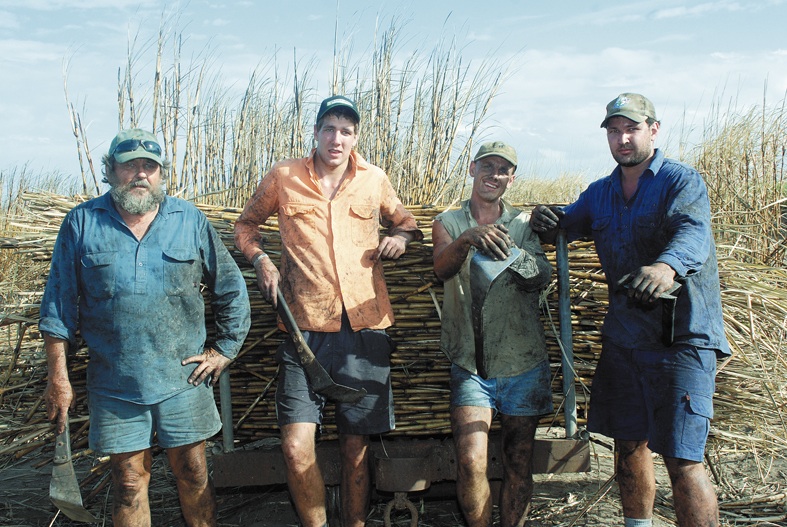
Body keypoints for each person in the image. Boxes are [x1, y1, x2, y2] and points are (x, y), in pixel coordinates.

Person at [531, 93, 730, 527]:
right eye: (614, 131)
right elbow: (566, 223)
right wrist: (545, 219)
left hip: (681, 338)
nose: (622, 139)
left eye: (632, 129)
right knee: (627, 446)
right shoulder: (600, 193)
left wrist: (665, 266)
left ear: (653, 130)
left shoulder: (681, 181)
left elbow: (693, 235)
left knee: (682, 458)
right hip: (625, 340)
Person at [40, 128, 251, 527]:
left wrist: (224, 349)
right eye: (129, 166)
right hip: (115, 382)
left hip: (183, 380)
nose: (140, 175)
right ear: (109, 171)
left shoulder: (188, 221)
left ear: (161, 174)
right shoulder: (82, 223)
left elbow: (231, 287)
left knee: (194, 473)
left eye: (149, 167)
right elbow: (58, 307)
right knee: (129, 482)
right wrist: (59, 378)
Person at [234, 95, 423, 527]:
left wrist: (401, 239)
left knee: (356, 447)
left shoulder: (374, 179)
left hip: (364, 327)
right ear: (316, 132)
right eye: (329, 128)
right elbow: (246, 225)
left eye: (347, 131)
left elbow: (407, 222)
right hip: (303, 331)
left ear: (356, 136)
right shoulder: (284, 176)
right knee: (297, 446)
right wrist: (260, 259)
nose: (337, 139)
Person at [432, 141, 554, 527]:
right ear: (472, 169)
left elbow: (543, 277)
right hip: (471, 363)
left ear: (511, 178)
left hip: (523, 361)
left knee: (519, 459)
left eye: (503, 169)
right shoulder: (448, 222)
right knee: (470, 461)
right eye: (487, 166)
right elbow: (441, 269)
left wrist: (517, 255)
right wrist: (469, 238)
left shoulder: (523, 225)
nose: (494, 175)